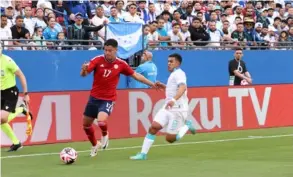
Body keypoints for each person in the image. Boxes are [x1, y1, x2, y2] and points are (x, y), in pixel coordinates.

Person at [80, 39, 161, 157]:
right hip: (94, 97)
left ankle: (104, 134)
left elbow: (136, 75)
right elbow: (84, 74)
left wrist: (152, 84)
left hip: (108, 98)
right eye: (105, 50)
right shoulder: (97, 60)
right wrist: (83, 69)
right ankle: (94, 145)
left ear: (116, 50)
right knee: (86, 125)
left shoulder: (121, 64)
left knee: (101, 121)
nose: (107, 53)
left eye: (110, 50)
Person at [130, 53, 196, 160]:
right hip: (168, 107)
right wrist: (164, 86)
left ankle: (187, 125)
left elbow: (182, 88)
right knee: (153, 127)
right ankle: (143, 154)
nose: (169, 63)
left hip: (178, 109)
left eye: (171, 61)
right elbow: (173, 89)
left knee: (170, 139)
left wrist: (174, 100)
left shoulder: (180, 74)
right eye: (168, 61)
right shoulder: (173, 74)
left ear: (178, 63)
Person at [0, 44, 33, 152]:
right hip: (0, 93)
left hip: (10, 92)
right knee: (2, 121)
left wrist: (26, 93)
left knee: (1, 119)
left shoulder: (8, 61)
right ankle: (16, 143)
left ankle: (20, 109)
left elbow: (21, 75)